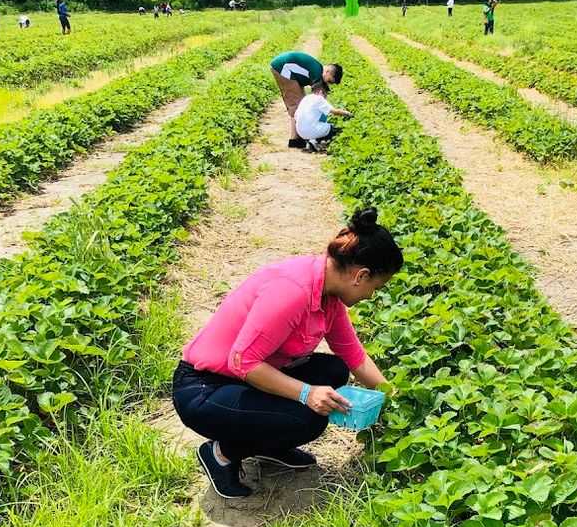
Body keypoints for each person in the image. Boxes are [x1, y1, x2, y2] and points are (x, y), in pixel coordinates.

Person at [172, 208, 403, 499]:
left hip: (239, 380)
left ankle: (268, 445)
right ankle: (221, 453)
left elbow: (353, 355)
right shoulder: (292, 290)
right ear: (361, 275)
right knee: (307, 418)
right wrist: (307, 393)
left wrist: (393, 397)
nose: (372, 295)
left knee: (333, 371)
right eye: (376, 287)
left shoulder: (328, 294)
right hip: (204, 388)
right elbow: (244, 362)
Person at [270, 50, 343, 148]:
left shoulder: (317, 69)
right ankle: (294, 140)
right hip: (282, 68)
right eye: (329, 81)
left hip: (288, 70)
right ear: (328, 71)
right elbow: (317, 98)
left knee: (301, 104)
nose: (328, 83)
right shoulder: (317, 72)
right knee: (296, 105)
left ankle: (299, 137)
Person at [295, 79, 352, 152]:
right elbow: (334, 111)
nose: (326, 98)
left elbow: (296, 115)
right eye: (326, 94)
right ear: (321, 92)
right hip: (311, 130)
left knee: (319, 121)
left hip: (300, 132)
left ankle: (312, 142)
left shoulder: (306, 98)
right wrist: (347, 113)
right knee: (333, 129)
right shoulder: (319, 98)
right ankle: (320, 143)